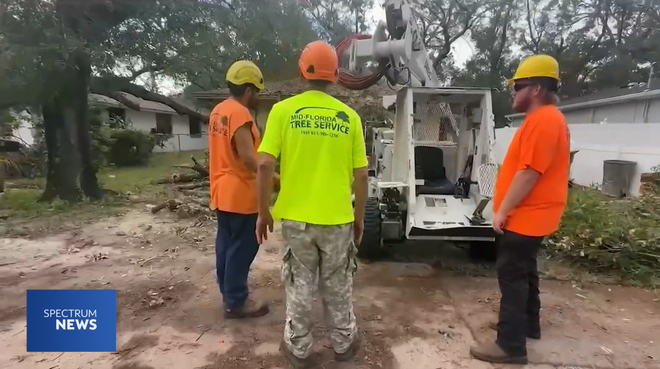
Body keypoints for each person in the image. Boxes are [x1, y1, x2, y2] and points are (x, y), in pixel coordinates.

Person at [255, 40, 369, 368]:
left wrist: (263, 212)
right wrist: (358, 218)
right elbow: (361, 176)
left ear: (301, 70)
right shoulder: (349, 117)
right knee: (338, 282)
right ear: (335, 75)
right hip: (337, 219)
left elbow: (264, 165)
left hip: (296, 219)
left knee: (299, 282)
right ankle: (344, 344)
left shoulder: (282, 111)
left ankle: (300, 349)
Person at [470, 54, 570, 364]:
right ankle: (529, 325)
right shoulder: (550, 120)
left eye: (518, 87)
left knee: (511, 278)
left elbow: (529, 172)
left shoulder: (543, 121)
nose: (513, 93)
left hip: (525, 217)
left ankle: (510, 346)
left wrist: (501, 211)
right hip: (536, 216)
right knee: (526, 273)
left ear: (537, 89)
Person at [208, 60, 270, 319]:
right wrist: (272, 176)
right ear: (248, 90)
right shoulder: (240, 114)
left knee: (225, 244)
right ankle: (235, 301)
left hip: (222, 191)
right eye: (256, 91)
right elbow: (247, 156)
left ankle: (228, 292)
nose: (257, 97)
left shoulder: (218, 111)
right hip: (241, 192)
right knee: (243, 247)